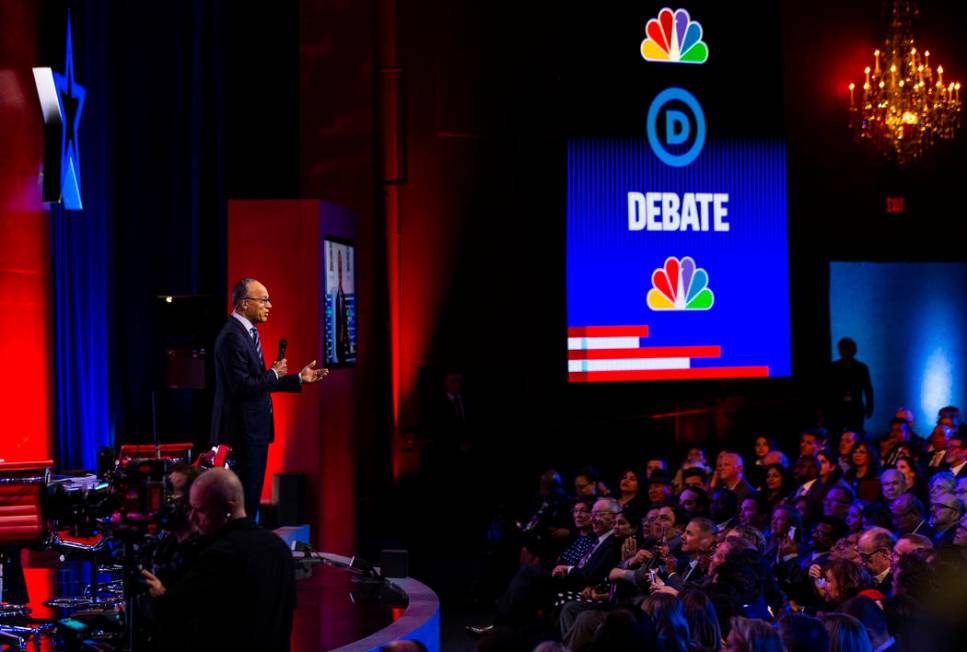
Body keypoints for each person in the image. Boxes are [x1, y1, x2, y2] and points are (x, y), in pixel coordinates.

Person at [210, 278, 329, 519]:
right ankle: (243, 550)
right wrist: (274, 373)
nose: (270, 305)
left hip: (253, 432)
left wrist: (297, 378)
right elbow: (242, 386)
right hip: (242, 434)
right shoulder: (233, 336)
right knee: (244, 501)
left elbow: (258, 382)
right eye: (263, 300)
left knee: (250, 499)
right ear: (244, 304)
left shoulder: (246, 333)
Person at [141, 468, 296, 652]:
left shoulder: (220, 555)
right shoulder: (281, 549)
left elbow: (172, 611)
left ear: (229, 507)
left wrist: (158, 594)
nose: (192, 517)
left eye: (201, 510)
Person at [825, 337, 874, 435]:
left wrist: (870, 407)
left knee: (855, 434)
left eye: (848, 350)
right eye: (843, 350)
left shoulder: (861, 368)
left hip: (855, 408)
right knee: (837, 435)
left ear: (853, 351)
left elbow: (868, 389)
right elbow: (827, 390)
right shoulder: (833, 368)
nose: (845, 353)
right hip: (837, 409)